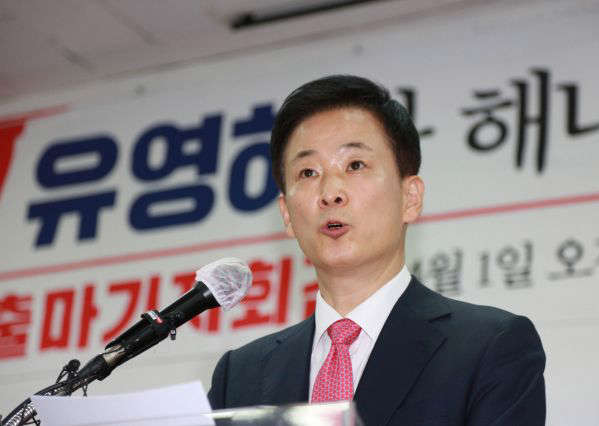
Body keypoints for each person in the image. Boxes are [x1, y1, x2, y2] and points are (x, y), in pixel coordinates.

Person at [208, 75, 546, 426]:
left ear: (410, 198)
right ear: (287, 215)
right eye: (308, 172)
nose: (330, 193)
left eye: (355, 165)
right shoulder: (240, 375)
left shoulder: (489, 346)